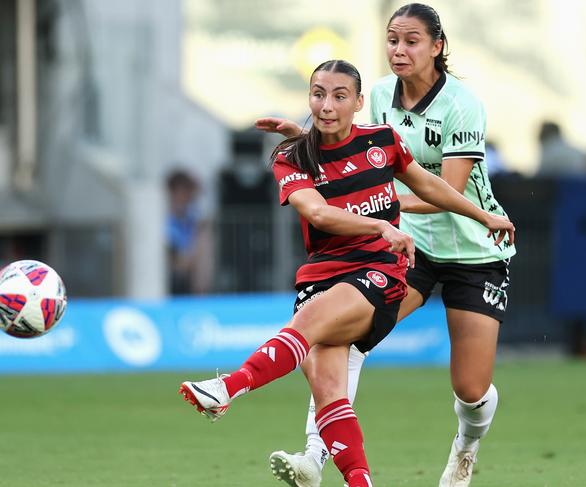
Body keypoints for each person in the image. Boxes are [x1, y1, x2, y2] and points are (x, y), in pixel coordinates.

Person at [181, 59, 515, 487]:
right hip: (322, 273)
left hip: (378, 269)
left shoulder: (383, 140)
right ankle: (353, 478)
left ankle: (230, 387)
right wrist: (379, 221)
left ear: (359, 102)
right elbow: (317, 211)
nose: (326, 104)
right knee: (329, 395)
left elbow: (430, 186)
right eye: (318, 94)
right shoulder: (290, 155)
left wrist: (482, 215)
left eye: (339, 96)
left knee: (309, 324)